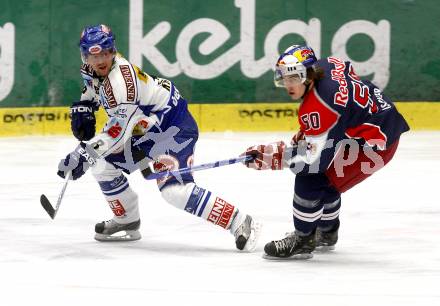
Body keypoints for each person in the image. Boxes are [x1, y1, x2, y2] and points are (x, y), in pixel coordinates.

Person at [57, 24, 261, 251]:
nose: (99, 61)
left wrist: (84, 152)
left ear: (112, 51)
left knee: (174, 192)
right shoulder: (92, 69)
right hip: (144, 128)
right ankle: (127, 220)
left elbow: (116, 132)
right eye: (92, 56)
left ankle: (240, 221)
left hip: (173, 128)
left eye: (104, 54)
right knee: (102, 166)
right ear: (84, 55)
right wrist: (86, 105)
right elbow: (95, 89)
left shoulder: (122, 84)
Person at [242, 45, 409, 259]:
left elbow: (313, 162)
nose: (288, 84)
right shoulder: (328, 64)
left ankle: (303, 240)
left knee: (311, 178)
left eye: (294, 78)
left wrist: (277, 156)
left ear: (309, 74)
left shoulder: (320, 107)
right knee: (327, 181)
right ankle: (328, 233)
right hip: (376, 124)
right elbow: (347, 88)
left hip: (375, 145)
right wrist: (312, 133)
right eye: (285, 78)